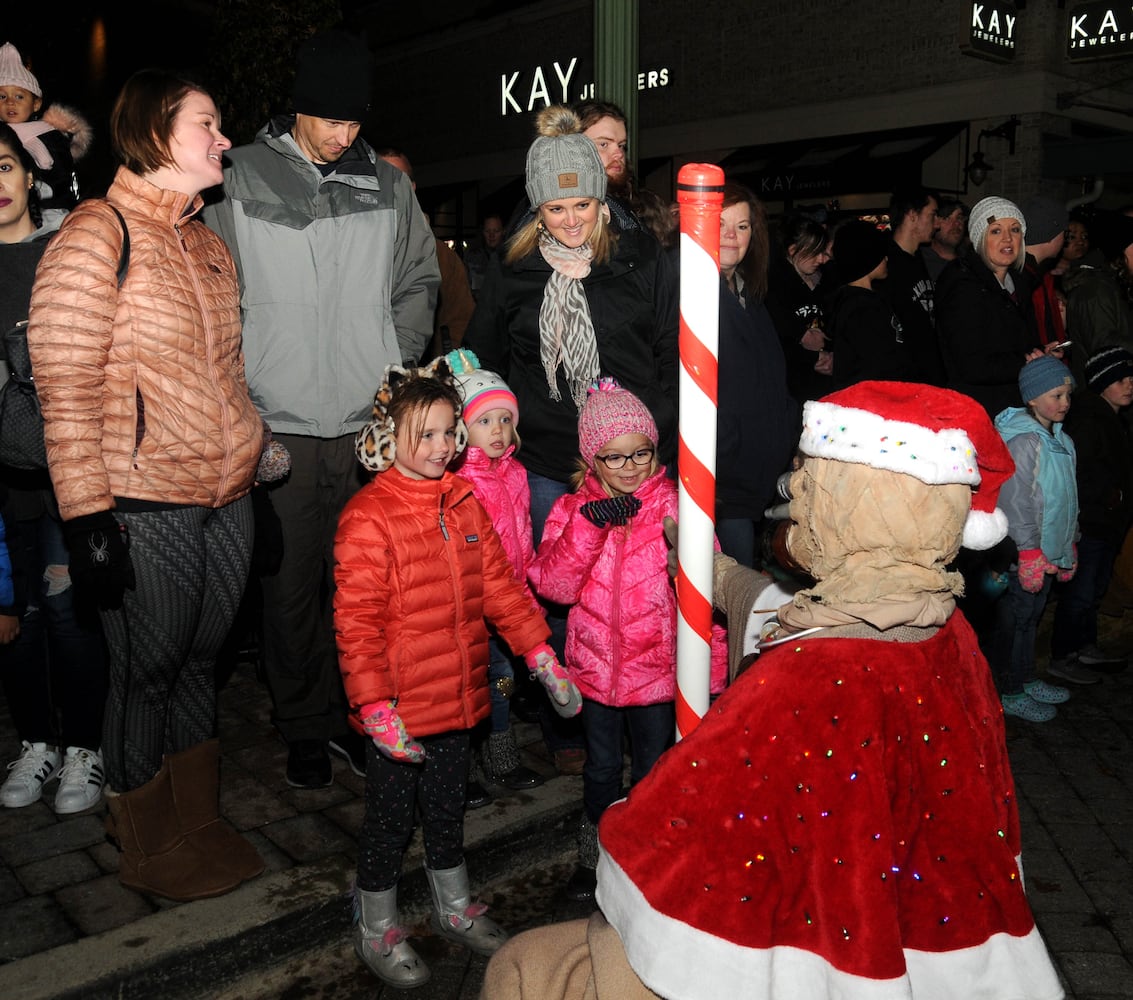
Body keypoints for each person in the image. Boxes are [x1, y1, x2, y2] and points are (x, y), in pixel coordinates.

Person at [483, 382, 1063, 1000]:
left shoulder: (806, 674)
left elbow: (681, 822)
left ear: (853, 505)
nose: (791, 496)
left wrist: (623, 824)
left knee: (524, 970)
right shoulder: (955, 638)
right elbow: (765, 606)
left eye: (808, 483)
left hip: (805, 922)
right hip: (937, 909)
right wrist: (707, 567)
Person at [26, 70, 268, 899]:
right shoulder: (98, 233)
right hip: (140, 501)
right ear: (158, 133)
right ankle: (147, 843)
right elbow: (63, 383)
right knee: (146, 673)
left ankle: (196, 822)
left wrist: (254, 455)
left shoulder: (208, 242)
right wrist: (87, 516)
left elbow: (230, 374)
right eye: (209, 122)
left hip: (224, 499)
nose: (224, 139)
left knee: (202, 667)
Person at [203, 30, 440, 789]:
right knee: (292, 587)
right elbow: (211, 297)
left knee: (369, 588)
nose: (345, 135)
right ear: (299, 109)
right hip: (282, 428)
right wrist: (244, 396)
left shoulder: (386, 184)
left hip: (369, 426)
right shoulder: (232, 177)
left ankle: (363, 714)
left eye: (355, 121)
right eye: (331, 120)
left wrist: (391, 368)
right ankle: (305, 723)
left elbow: (418, 282)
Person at [334, 360, 578, 989]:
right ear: (391, 439)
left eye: (450, 433)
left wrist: (541, 656)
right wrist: (375, 707)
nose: (442, 447)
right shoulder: (368, 517)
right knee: (390, 820)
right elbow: (356, 626)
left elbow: (501, 591)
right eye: (427, 434)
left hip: (460, 696)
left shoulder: (465, 502)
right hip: (399, 708)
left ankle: (453, 906)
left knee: (446, 809)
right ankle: (377, 924)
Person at [463, 104, 677, 776]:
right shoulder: (513, 268)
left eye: (582, 203)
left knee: (631, 598)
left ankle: (629, 728)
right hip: (549, 460)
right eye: (555, 210)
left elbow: (672, 357)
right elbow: (482, 356)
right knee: (555, 598)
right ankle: (570, 727)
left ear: (600, 195)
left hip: (628, 461)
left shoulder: (643, 258)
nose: (571, 220)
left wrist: (651, 443)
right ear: (537, 209)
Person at [529, 379, 726, 903]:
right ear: (592, 459)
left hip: (659, 675)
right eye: (614, 458)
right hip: (595, 674)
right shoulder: (572, 511)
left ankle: (647, 859)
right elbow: (552, 586)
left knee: (655, 769)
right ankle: (593, 857)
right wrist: (588, 528)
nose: (631, 467)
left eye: (641, 452)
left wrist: (712, 668)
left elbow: (710, 591)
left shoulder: (679, 507)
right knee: (599, 768)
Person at [0, 122, 107, 815]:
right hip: (4, 475)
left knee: (69, 616)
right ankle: (36, 742)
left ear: (26, 175)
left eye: (3, 165)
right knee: (17, 619)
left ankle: (85, 750)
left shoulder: (62, 250)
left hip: (66, 464)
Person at [446, 348, 545, 795]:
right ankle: (459, 772)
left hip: (507, 602)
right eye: (484, 421)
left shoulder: (516, 474)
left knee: (503, 680)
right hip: (467, 607)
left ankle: (501, 758)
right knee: (464, 688)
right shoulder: (457, 484)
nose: (498, 431)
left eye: (505, 419)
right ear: (462, 429)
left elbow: (522, 538)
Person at [991, 356, 1079, 722]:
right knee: (1017, 619)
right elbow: (1017, 501)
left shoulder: (1063, 441)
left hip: (1050, 550)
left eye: (1067, 395)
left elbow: (1070, 498)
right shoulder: (1025, 442)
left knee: (1033, 617)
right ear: (1031, 399)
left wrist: (1070, 541)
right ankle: (1008, 689)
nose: (1064, 403)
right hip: (1027, 554)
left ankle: (1026, 678)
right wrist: (1028, 551)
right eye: (1055, 395)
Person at [714, 181, 796, 564]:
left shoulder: (750, 296)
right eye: (722, 223)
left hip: (760, 478)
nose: (732, 235)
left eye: (742, 226)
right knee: (736, 590)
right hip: (726, 484)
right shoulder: (693, 293)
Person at [1049, 348, 1133, 679]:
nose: (1129, 385)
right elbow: (1079, 474)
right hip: (1091, 524)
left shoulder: (1112, 417)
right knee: (1080, 593)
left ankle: (1084, 647)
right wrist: (1111, 497)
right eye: (1120, 379)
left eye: (1131, 379)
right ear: (1101, 383)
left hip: (1108, 523)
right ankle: (1063, 657)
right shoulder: (1088, 419)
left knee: (1095, 590)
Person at [936, 195, 1040, 417]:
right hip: (977, 411)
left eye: (1014, 230)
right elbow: (971, 365)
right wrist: (1026, 361)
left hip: (1013, 408)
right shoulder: (963, 285)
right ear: (979, 237)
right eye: (996, 230)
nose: (1007, 239)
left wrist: (1041, 353)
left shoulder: (1018, 283)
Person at [378, 148, 475, 358]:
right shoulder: (348, 246)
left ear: (412, 187)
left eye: (399, 180)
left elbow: (459, 320)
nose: (391, 188)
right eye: (382, 179)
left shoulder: (441, 256)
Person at [0, 41, 91, 211]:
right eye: (2, 97)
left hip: (51, 214)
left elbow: (61, 180)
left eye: (19, 97)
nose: (10, 102)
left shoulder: (50, 135)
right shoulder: (2, 138)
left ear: (36, 104)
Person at [828, 219, 915, 389]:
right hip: (876, 401)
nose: (887, 258)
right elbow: (878, 365)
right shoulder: (861, 310)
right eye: (881, 254)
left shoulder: (865, 301)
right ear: (867, 259)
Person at [875, 186, 945, 385]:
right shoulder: (885, 265)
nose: (938, 223)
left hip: (928, 376)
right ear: (912, 215)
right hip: (904, 380)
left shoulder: (919, 259)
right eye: (932, 215)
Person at [764, 213, 833, 407]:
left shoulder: (826, 280)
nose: (821, 259)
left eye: (823, 252)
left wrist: (833, 355)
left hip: (824, 384)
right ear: (793, 250)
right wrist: (812, 356)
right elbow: (774, 342)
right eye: (814, 252)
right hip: (790, 388)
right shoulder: (773, 285)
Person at [1062, 212, 1133, 390]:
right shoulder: (1095, 290)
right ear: (1121, 251)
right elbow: (1104, 345)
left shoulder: (1114, 285)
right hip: (1102, 397)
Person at [1021, 195, 1069, 351]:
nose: (1065, 239)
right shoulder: (1023, 278)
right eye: (1064, 232)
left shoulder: (1040, 275)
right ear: (1051, 234)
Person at [920, 197, 968, 280]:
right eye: (947, 218)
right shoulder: (920, 261)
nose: (956, 223)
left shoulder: (969, 263)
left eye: (959, 218)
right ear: (935, 223)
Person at [465, 213, 506, 299]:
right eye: (488, 231)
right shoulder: (472, 258)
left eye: (496, 231)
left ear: (503, 232)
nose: (492, 236)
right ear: (483, 232)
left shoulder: (511, 258)